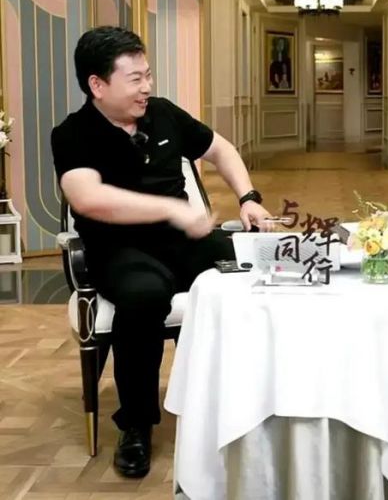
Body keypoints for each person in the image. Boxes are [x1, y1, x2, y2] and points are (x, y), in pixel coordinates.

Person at [51, 26, 272, 478]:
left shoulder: (164, 113)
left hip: (183, 240)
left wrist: (248, 197)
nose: (146, 87)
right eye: (134, 78)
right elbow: (88, 198)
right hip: (119, 248)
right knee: (145, 295)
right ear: (97, 84)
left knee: (255, 267)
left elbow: (221, 149)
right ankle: (136, 426)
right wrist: (172, 209)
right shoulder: (73, 134)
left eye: (148, 75)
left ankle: (253, 399)